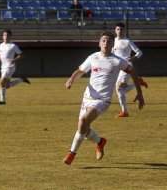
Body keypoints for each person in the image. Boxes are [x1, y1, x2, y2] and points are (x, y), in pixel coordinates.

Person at [63, 31, 145, 165]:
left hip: (103, 100)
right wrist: (71, 79)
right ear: (99, 43)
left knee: (83, 120)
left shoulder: (118, 61)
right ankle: (100, 142)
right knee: (83, 128)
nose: (106, 43)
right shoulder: (92, 57)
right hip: (87, 98)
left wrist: (140, 93)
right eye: (104, 41)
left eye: (109, 41)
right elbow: (81, 71)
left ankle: (71, 154)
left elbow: (133, 74)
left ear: (113, 45)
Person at [112, 22, 148, 117]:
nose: (119, 31)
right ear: (115, 31)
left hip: (127, 66)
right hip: (117, 67)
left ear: (124, 30)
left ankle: (125, 111)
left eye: (121, 29)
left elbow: (139, 52)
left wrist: (132, 58)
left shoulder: (127, 41)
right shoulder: (114, 41)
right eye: (118, 29)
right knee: (119, 90)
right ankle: (125, 111)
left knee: (119, 87)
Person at [0, 29, 30, 105]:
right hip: (3, 67)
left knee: (1, 82)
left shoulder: (13, 46)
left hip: (10, 67)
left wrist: (15, 59)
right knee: (7, 86)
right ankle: (21, 79)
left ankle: (2, 101)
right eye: (4, 35)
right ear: (2, 36)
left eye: (7, 35)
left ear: (10, 36)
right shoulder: (1, 45)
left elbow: (21, 54)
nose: (6, 37)